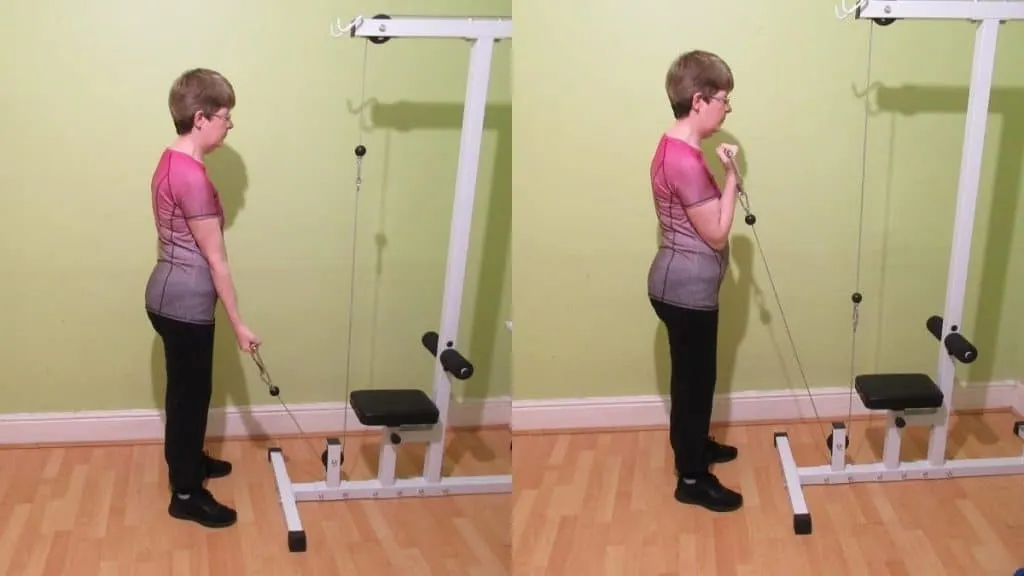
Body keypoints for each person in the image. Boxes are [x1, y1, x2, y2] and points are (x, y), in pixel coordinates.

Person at [144, 68, 261, 528]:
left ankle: (191, 463)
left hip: (166, 295)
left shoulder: (170, 160)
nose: (230, 125)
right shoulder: (191, 176)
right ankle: (187, 494)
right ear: (200, 118)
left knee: (188, 393)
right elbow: (218, 261)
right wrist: (239, 324)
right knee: (190, 400)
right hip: (186, 304)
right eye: (225, 116)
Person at [647, 50, 743, 512]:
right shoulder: (684, 161)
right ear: (700, 100)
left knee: (694, 380)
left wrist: (725, 176)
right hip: (686, 293)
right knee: (694, 383)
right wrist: (730, 176)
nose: (727, 108)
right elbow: (719, 232)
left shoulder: (678, 148)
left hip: (682, 287)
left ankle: (695, 448)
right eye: (725, 99)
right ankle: (691, 477)